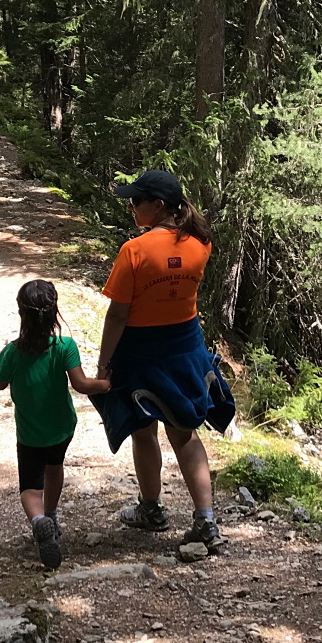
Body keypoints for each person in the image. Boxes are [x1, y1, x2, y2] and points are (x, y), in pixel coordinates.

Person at [91, 168, 234, 553]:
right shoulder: (201, 242)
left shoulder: (134, 252)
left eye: (137, 201)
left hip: (141, 349)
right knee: (185, 432)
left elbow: (118, 315)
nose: (132, 206)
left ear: (158, 206)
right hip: (186, 345)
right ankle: (205, 520)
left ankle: (151, 509)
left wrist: (104, 366)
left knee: (143, 428)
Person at [0, 280, 109, 569]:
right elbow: (81, 384)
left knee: (29, 487)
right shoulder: (64, 346)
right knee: (55, 467)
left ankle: (39, 521)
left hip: (30, 435)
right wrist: (105, 384)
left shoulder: (12, 352)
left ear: (21, 314)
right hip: (62, 429)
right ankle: (50, 514)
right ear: (54, 313)